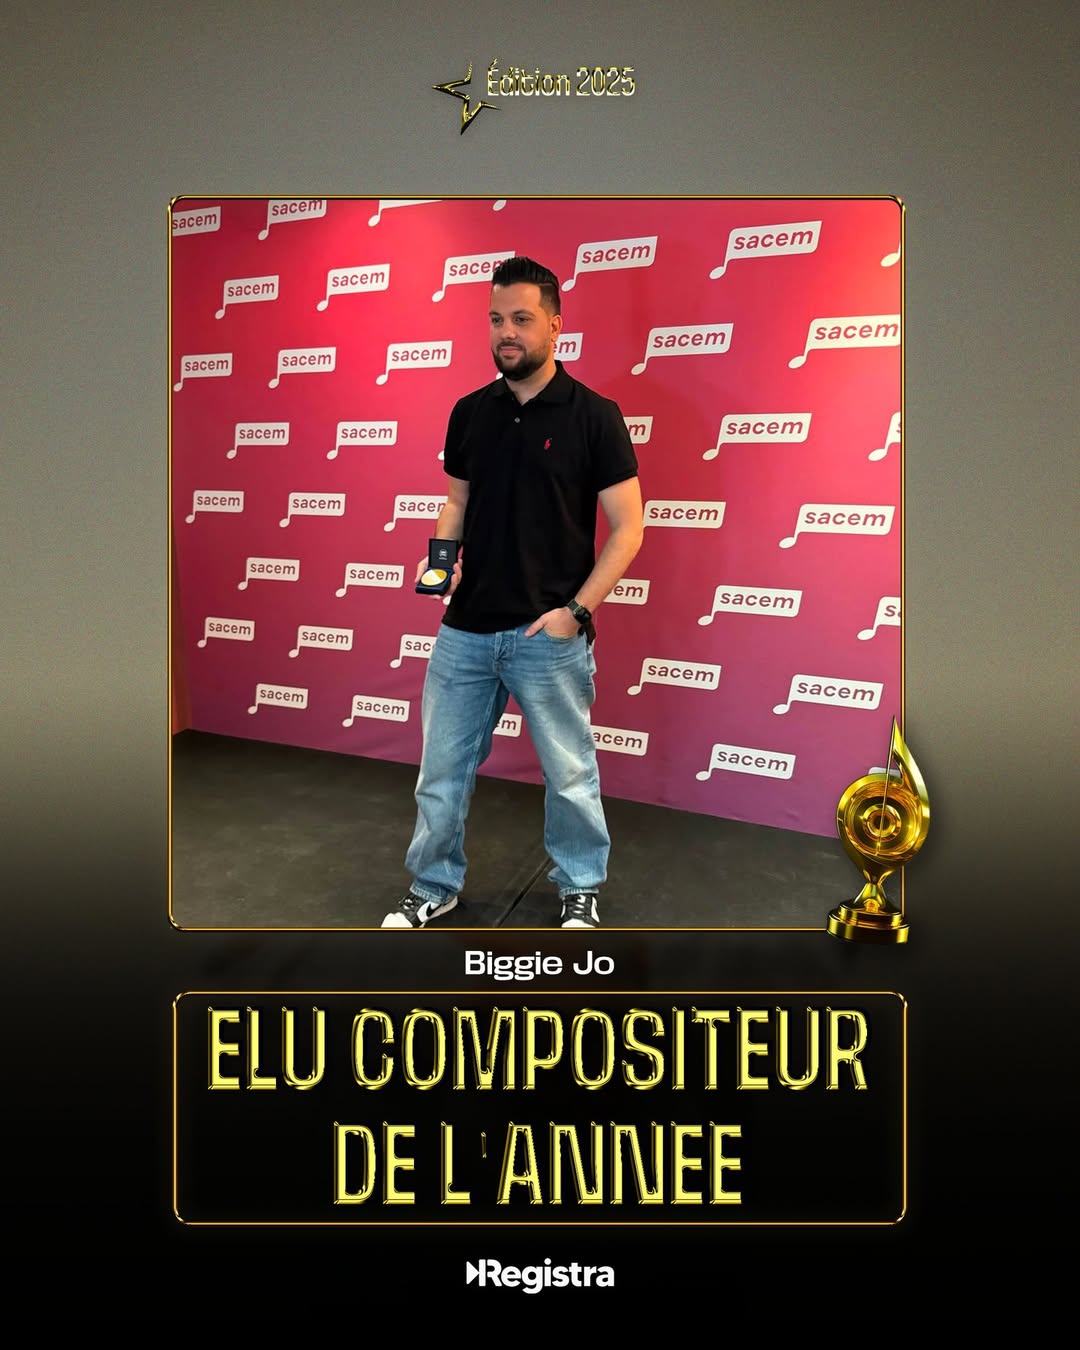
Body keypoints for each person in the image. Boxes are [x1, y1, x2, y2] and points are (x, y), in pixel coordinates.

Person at [382, 256, 643, 930]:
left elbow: (629, 528)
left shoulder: (595, 416)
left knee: (570, 775)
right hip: (464, 633)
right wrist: (442, 564)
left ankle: (580, 888)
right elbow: (455, 502)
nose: (507, 332)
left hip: (547, 639)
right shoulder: (470, 412)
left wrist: (575, 613)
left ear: (555, 325)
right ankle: (433, 884)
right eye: (497, 319)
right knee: (440, 775)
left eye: (522, 319)